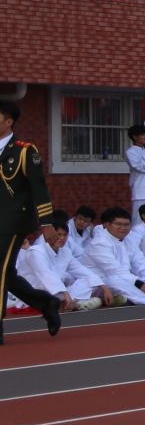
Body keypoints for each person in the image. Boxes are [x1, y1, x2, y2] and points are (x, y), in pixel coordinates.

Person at [0, 98, 62, 342]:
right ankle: (46, 303)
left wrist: (46, 223)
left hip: (13, 221)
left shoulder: (25, 151)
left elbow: (39, 188)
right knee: (6, 273)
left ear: (8, 122)